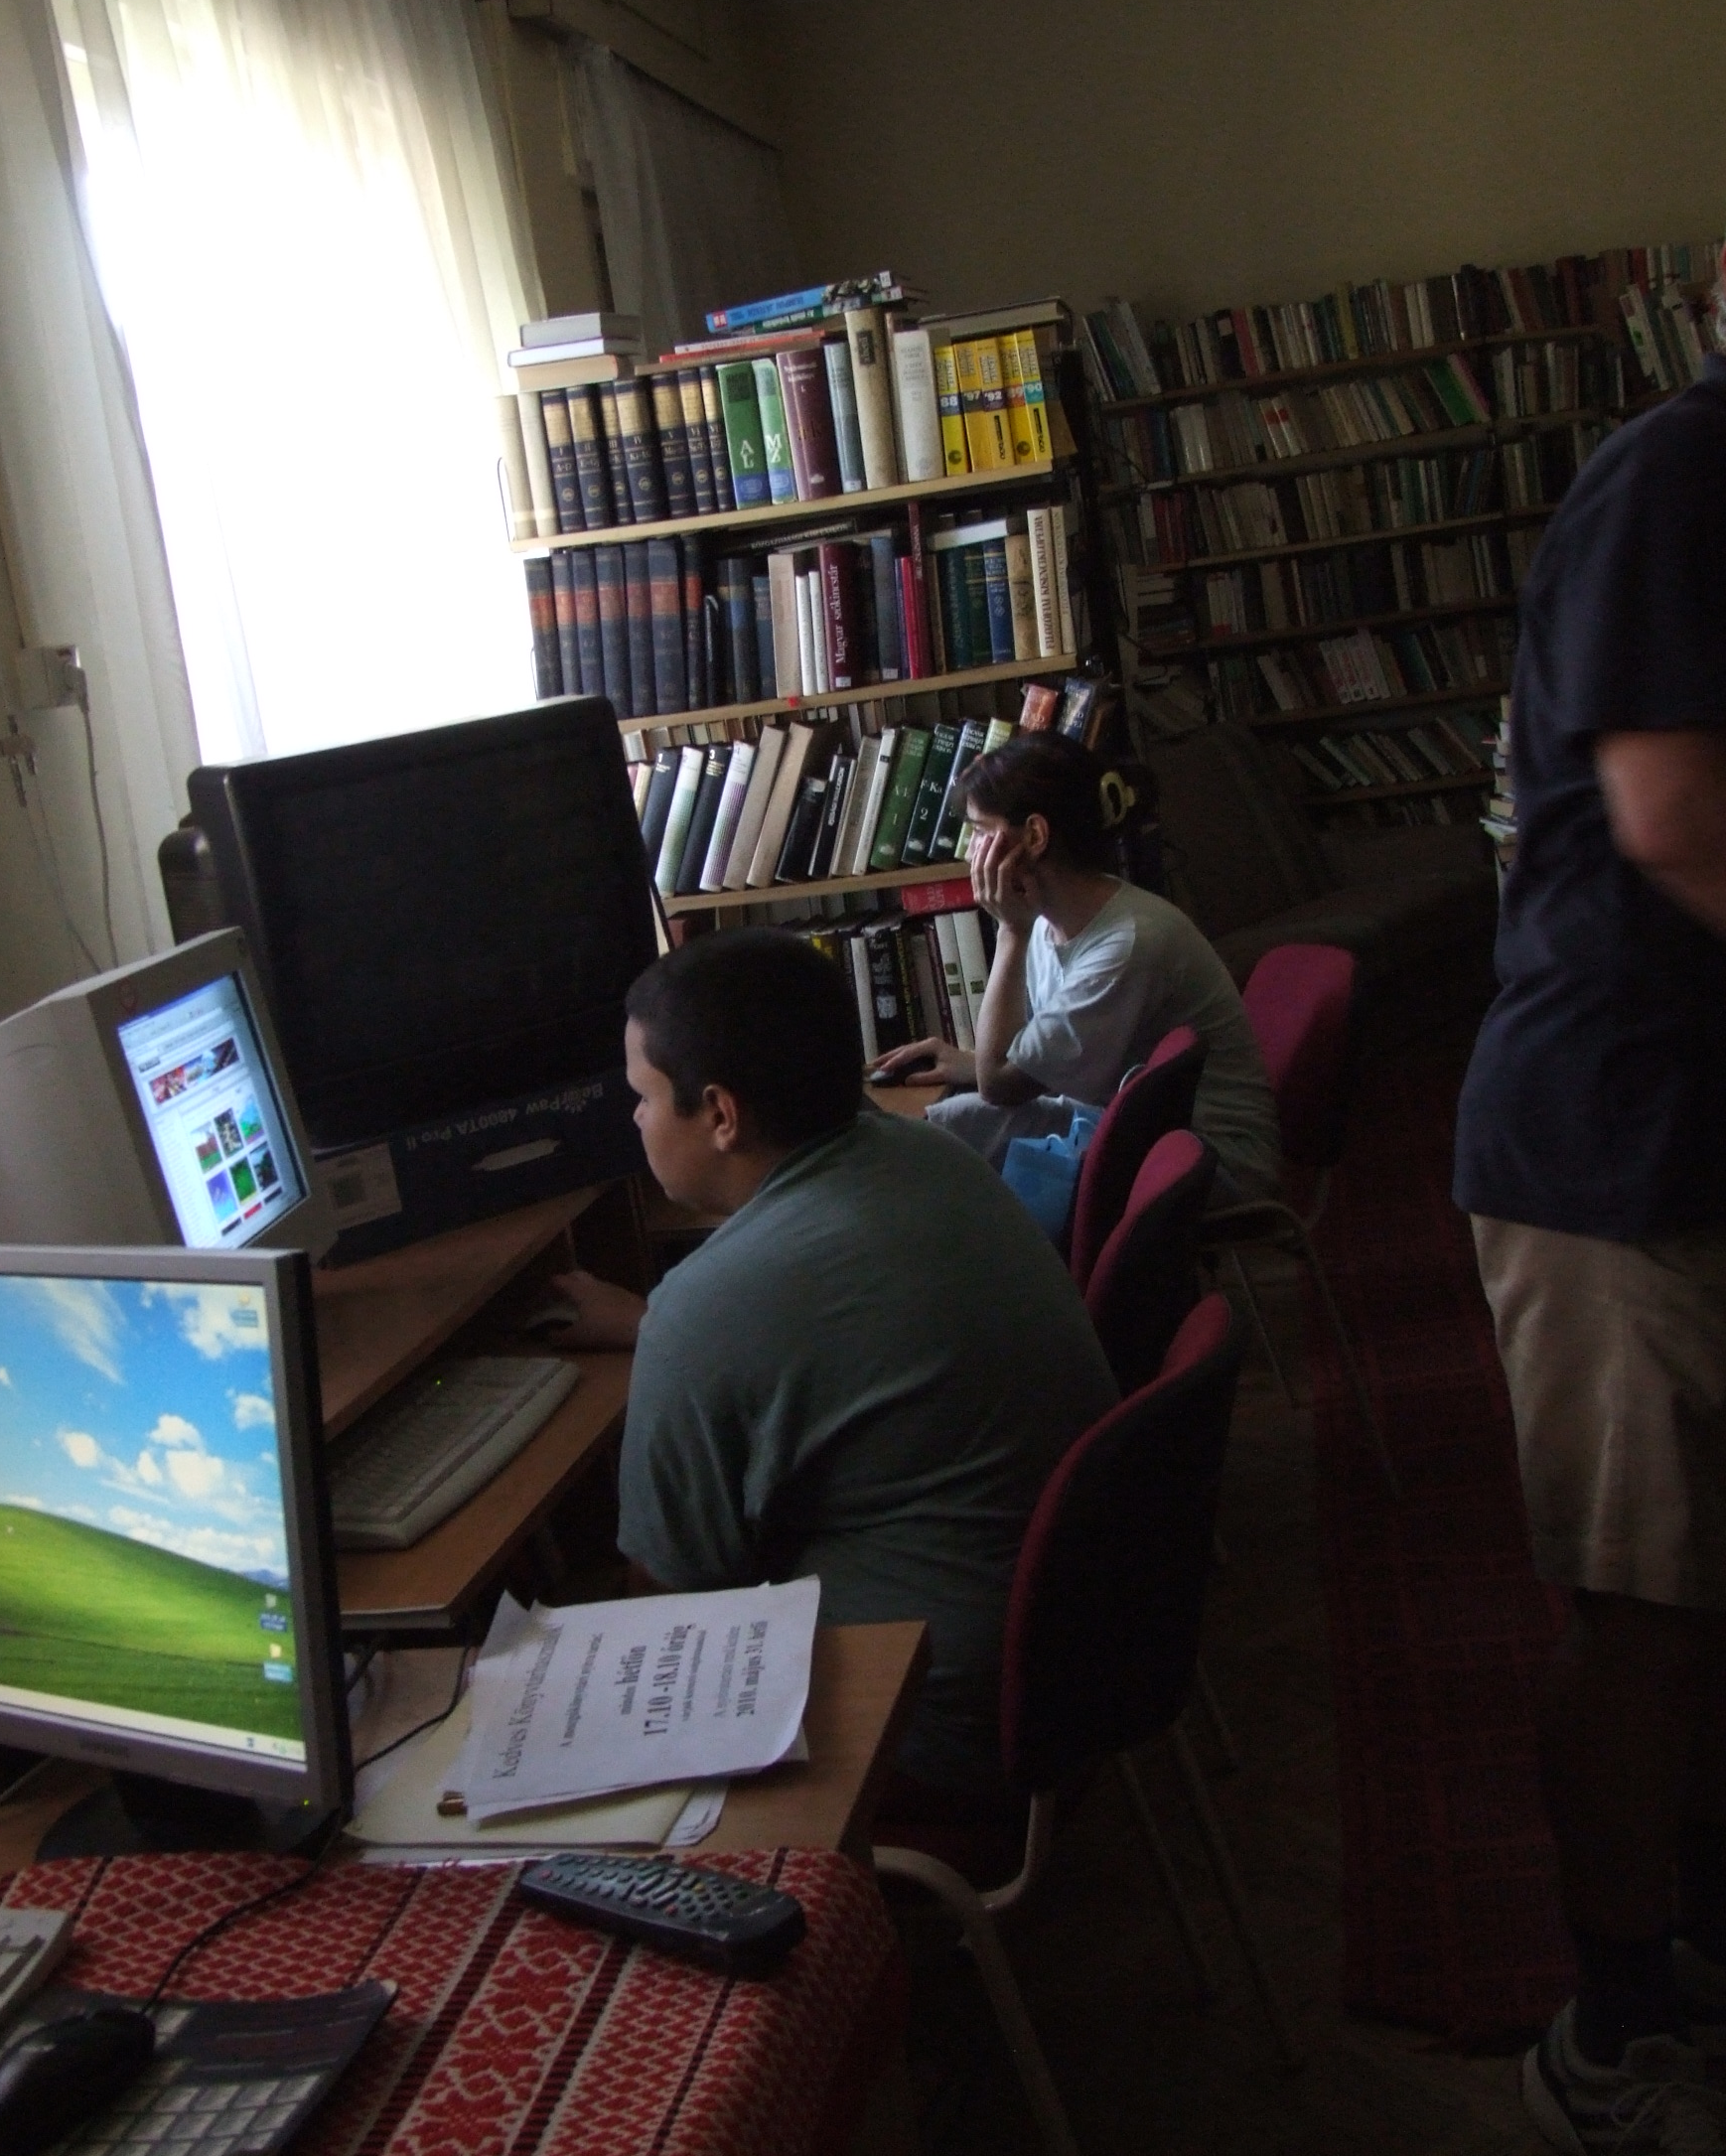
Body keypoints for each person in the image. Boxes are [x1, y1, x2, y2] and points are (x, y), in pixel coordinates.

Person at [1453, 259, 1726, 2156]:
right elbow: (1676, 814)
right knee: (1637, 1602)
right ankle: (1615, 2030)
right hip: (1613, 1152)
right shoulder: (1680, 479)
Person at [549, 927, 1118, 1806]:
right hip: (1080, 1653)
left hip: (930, 1726)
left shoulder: (707, 1309)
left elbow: (669, 1614)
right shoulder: (932, 1155)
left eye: (643, 1096)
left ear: (721, 1115)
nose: (634, 1120)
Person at [887, 732, 1281, 1204]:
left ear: (1035, 836)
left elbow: (1000, 1086)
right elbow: (1017, 1068)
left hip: (1204, 1159)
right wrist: (966, 1065)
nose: (970, 853)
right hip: (1131, 1124)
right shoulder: (1051, 921)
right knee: (932, 1135)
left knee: (948, 1164)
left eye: (979, 831)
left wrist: (1009, 932)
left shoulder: (1126, 943)